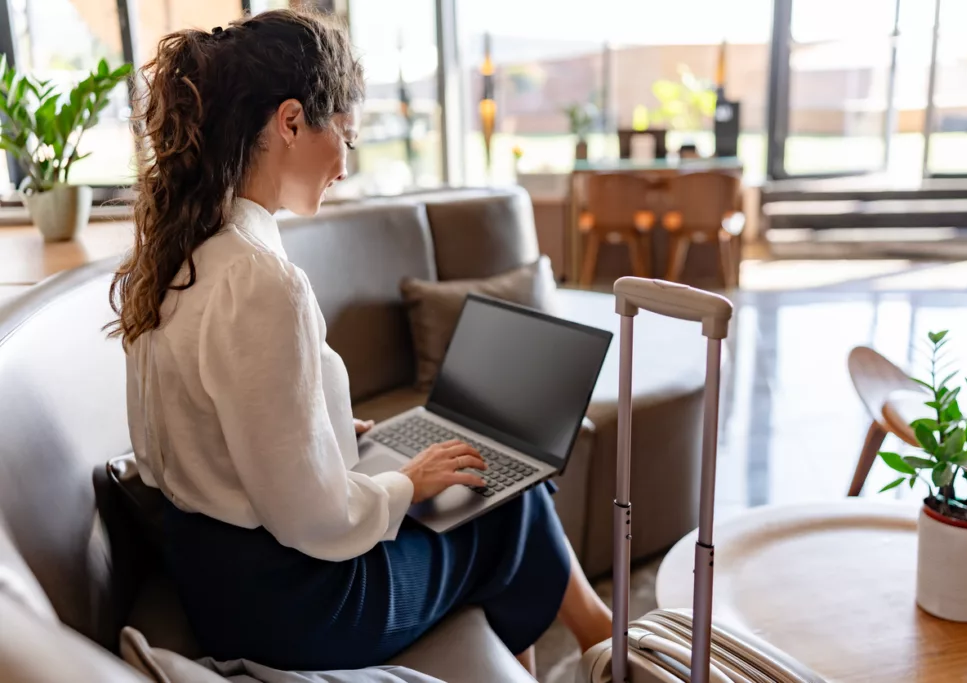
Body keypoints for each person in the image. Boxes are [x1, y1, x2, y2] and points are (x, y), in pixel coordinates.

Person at [107, 9, 612, 677]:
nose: (345, 163)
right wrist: (406, 481)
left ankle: (570, 649)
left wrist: (323, 430)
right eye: (343, 135)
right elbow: (313, 520)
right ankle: (605, 644)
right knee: (505, 496)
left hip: (219, 578)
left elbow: (205, 432)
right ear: (290, 122)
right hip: (300, 605)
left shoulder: (180, 255)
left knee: (490, 492)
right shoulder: (261, 281)